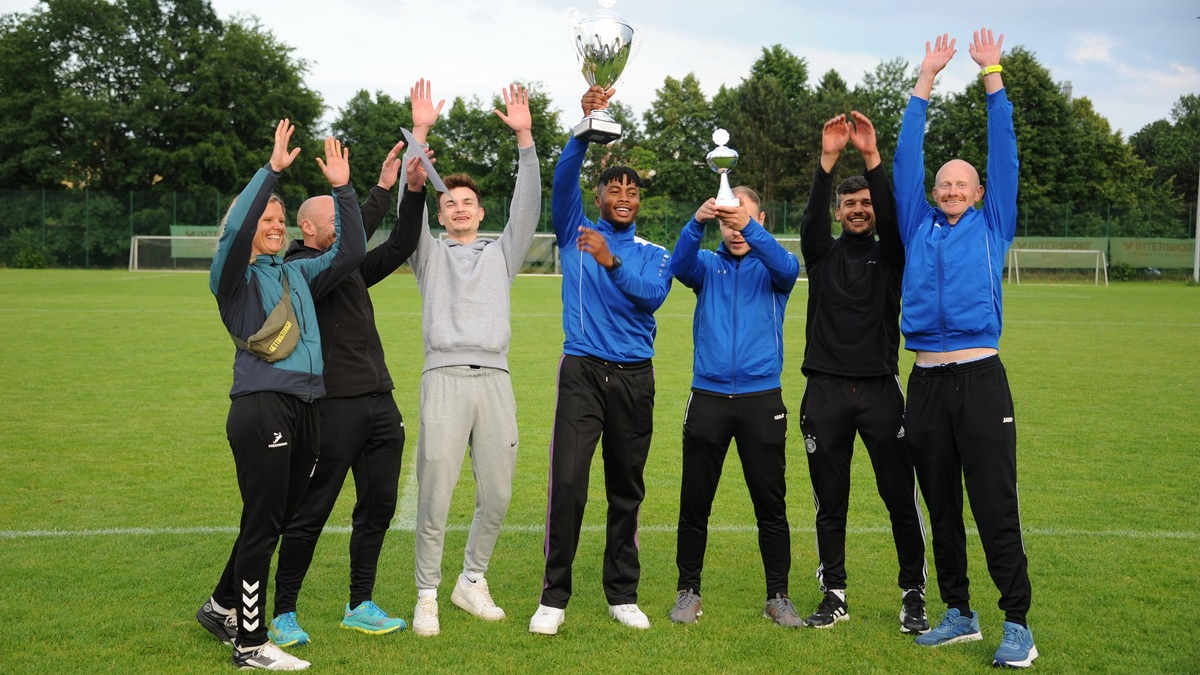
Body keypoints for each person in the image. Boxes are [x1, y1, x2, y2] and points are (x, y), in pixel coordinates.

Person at [196, 122, 366, 671]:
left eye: (280, 220)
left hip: (307, 407)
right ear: (248, 227)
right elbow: (235, 230)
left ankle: (221, 606)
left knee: (275, 519)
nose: (275, 227)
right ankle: (250, 644)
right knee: (263, 523)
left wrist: (343, 189)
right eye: (266, 220)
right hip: (262, 406)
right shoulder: (232, 278)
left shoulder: (297, 273)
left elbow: (353, 251)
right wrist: (269, 173)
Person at [893, 29, 1036, 668]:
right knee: (941, 508)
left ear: (979, 193)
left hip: (980, 379)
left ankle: (1017, 624)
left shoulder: (992, 222)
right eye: (944, 183)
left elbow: (1003, 154)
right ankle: (959, 612)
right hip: (923, 383)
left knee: (993, 504)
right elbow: (903, 159)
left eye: (961, 184)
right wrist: (924, 80)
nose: (951, 189)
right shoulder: (917, 223)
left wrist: (991, 76)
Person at [267, 140, 428, 646]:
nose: (345, 228)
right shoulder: (300, 268)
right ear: (307, 230)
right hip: (332, 409)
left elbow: (400, 243)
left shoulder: (349, 264)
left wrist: (410, 193)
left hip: (381, 402)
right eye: (334, 221)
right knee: (310, 513)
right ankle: (283, 612)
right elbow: (353, 244)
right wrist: (375, 189)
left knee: (378, 507)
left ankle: (360, 603)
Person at [529, 85, 672, 635]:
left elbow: (650, 296)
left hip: (636, 378)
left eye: (632, 190)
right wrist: (583, 127)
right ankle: (554, 597)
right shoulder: (574, 229)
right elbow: (564, 180)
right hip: (583, 372)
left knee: (625, 488)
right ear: (601, 194)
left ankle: (622, 593)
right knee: (567, 482)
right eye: (614, 186)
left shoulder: (654, 254)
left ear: (639, 203)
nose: (624, 194)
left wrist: (612, 262)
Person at [403, 80, 541, 637]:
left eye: (466, 203)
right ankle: (428, 594)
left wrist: (524, 138)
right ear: (440, 215)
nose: (458, 209)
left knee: (499, 493)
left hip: (496, 381)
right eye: (448, 204)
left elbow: (527, 204)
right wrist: (420, 133)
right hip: (444, 378)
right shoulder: (429, 255)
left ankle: (472, 579)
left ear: (481, 212)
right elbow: (407, 209)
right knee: (435, 491)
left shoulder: (501, 254)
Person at [796, 112, 929, 633]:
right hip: (824, 390)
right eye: (849, 204)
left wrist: (873, 160)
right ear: (837, 211)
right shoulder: (821, 255)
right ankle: (834, 594)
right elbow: (809, 221)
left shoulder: (892, 256)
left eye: (865, 203)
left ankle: (913, 594)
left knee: (899, 496)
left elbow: (896, 220)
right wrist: (827, 162)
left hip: (879, 391)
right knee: (831, 502)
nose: (858, 210)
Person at [667, 187, 802, 627]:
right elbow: (678, 265)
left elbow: (789, 266)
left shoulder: (773, 268)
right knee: (695, 503)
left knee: (771, 505)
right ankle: (689, 592)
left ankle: (778, 596)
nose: (735, 229)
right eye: (728, 221)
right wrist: (697, 222)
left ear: (759, 217)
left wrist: (750, 228)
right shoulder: (707, 265)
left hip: (762, 399)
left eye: (742, 219)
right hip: (707, 398)